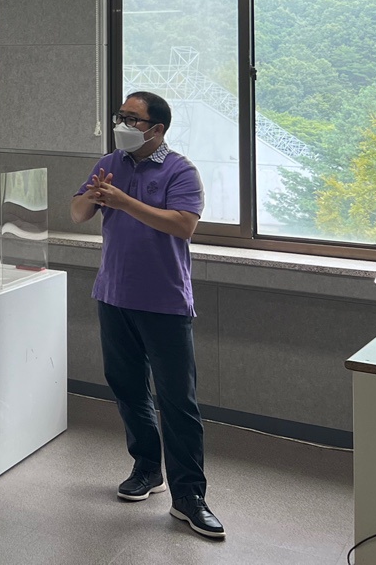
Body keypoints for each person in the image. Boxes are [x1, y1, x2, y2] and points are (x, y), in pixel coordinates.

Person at [71, 90, 223, 540]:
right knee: (128, 388)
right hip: (113, 295)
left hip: (164, 302)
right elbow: (77, 213)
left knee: (178, 400)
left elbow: (183, 225)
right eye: (120, 116)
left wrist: (124, 203)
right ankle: (146, 469)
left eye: (132, 119)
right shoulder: (110, 163)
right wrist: (94, 196)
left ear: (156, 129)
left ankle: (189, 497)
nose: (122, 124)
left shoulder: (181, 170)